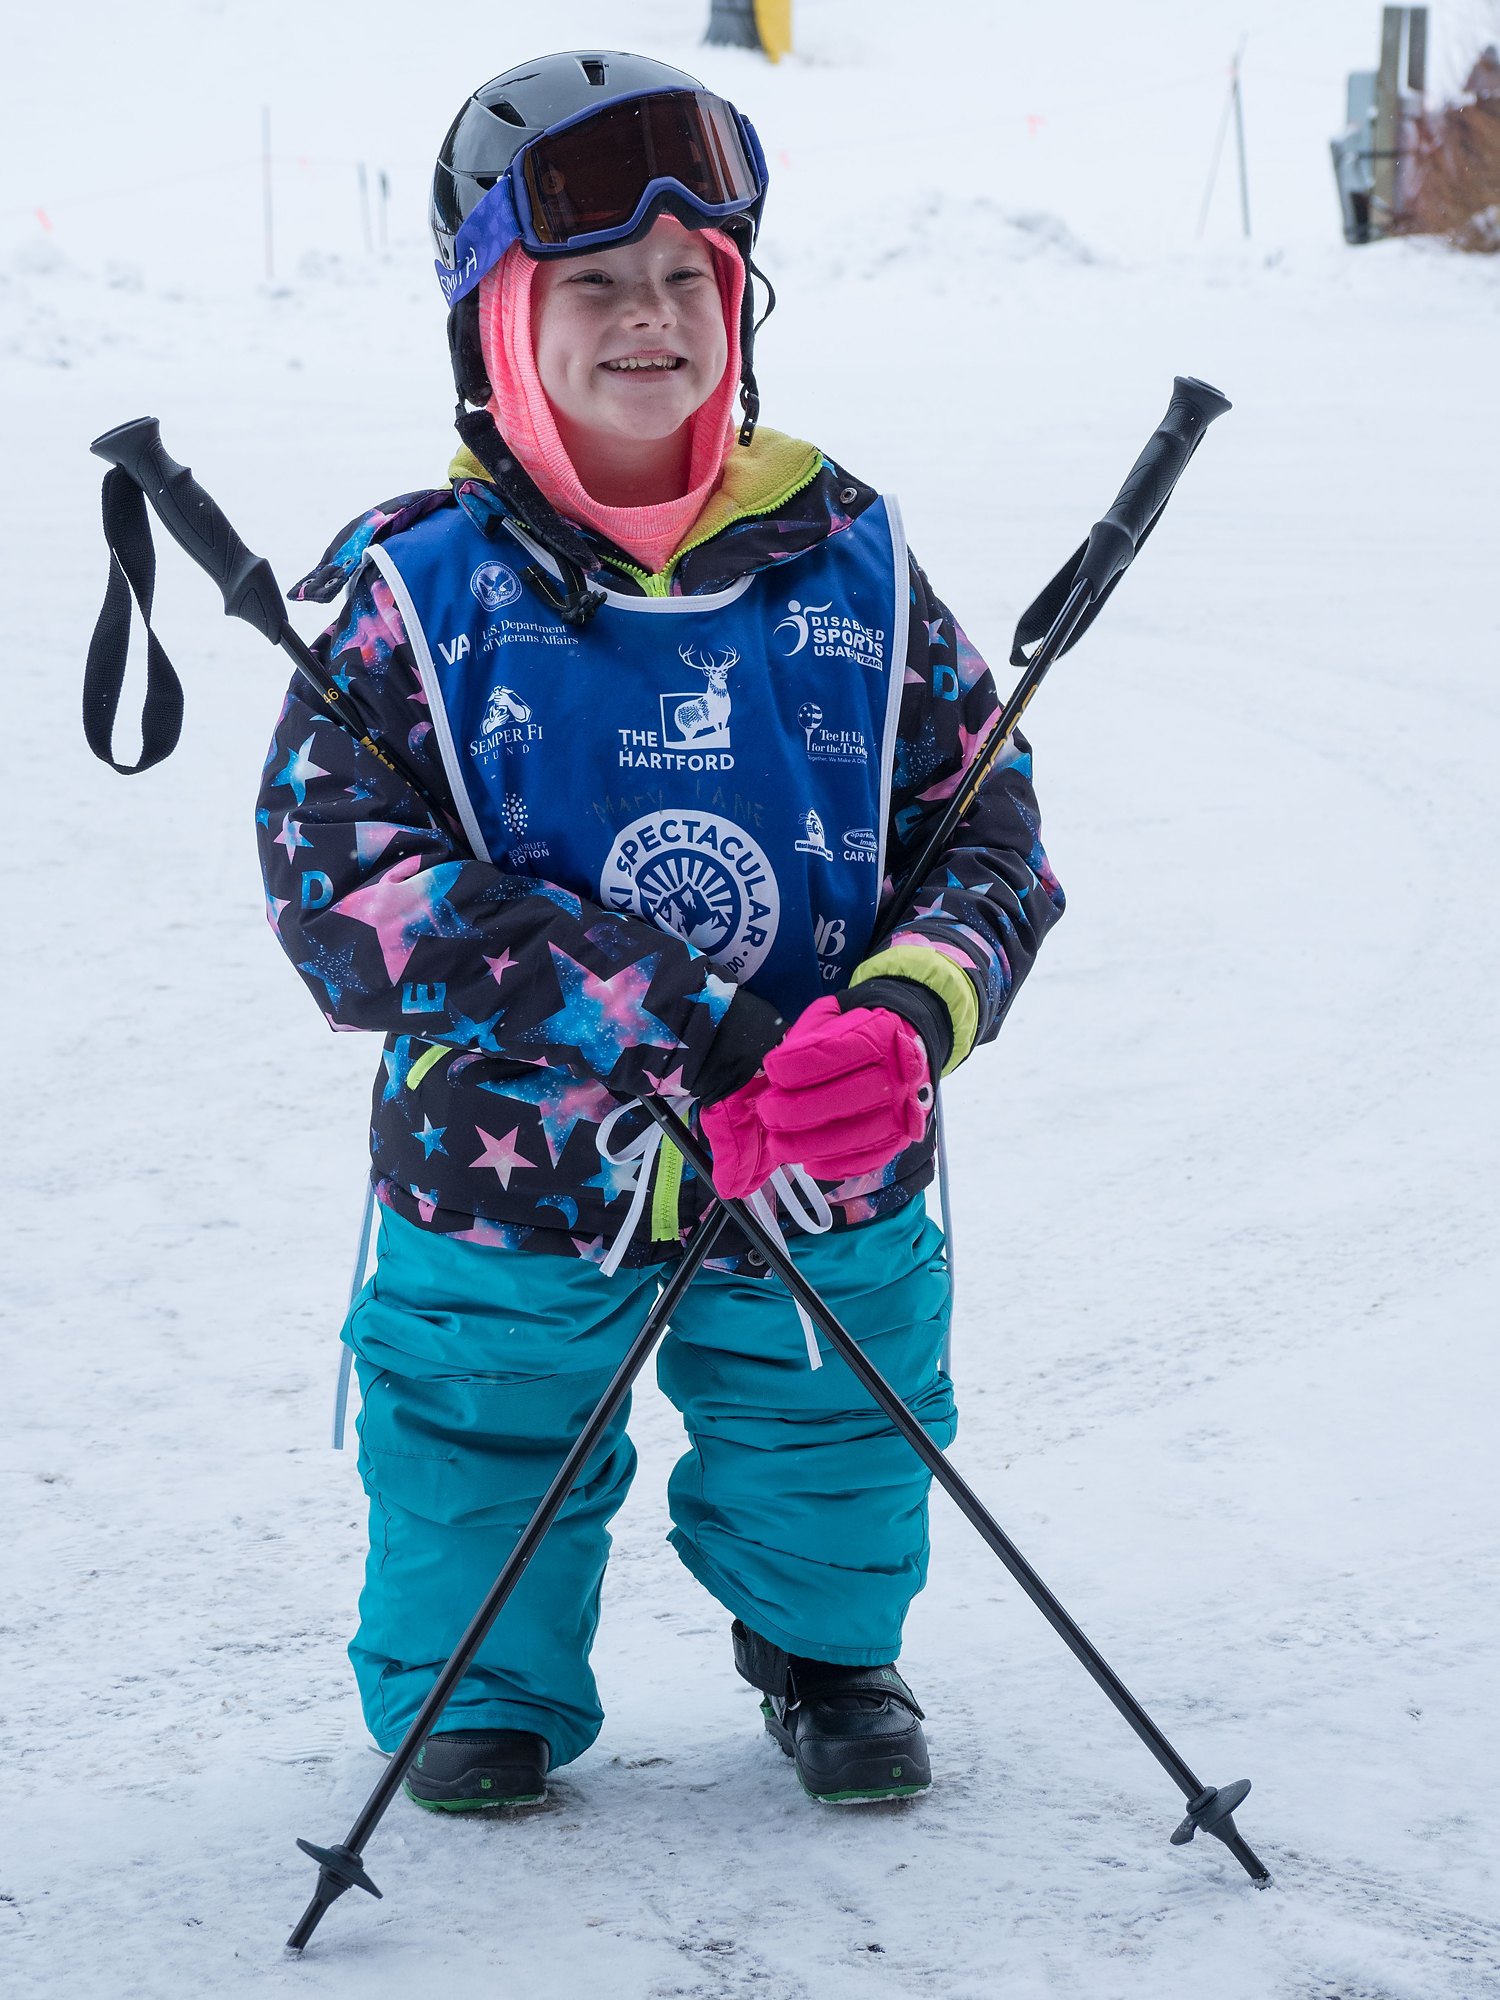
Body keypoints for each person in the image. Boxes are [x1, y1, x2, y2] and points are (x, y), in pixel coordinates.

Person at [257, 49, 1064, 1814]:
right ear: (495, 318)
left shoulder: (853, 561)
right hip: (512, 1163)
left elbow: (985, 827)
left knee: (834, 1410)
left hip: (822, 1139)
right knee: (481, 1429)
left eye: (690, 275)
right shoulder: (421, 594)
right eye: (598, 283)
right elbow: (341, 890)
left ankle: (830, 1650)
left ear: (743, 300)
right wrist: (666, 1022)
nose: (653, 317)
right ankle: (480, 1687)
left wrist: (913, 1015)